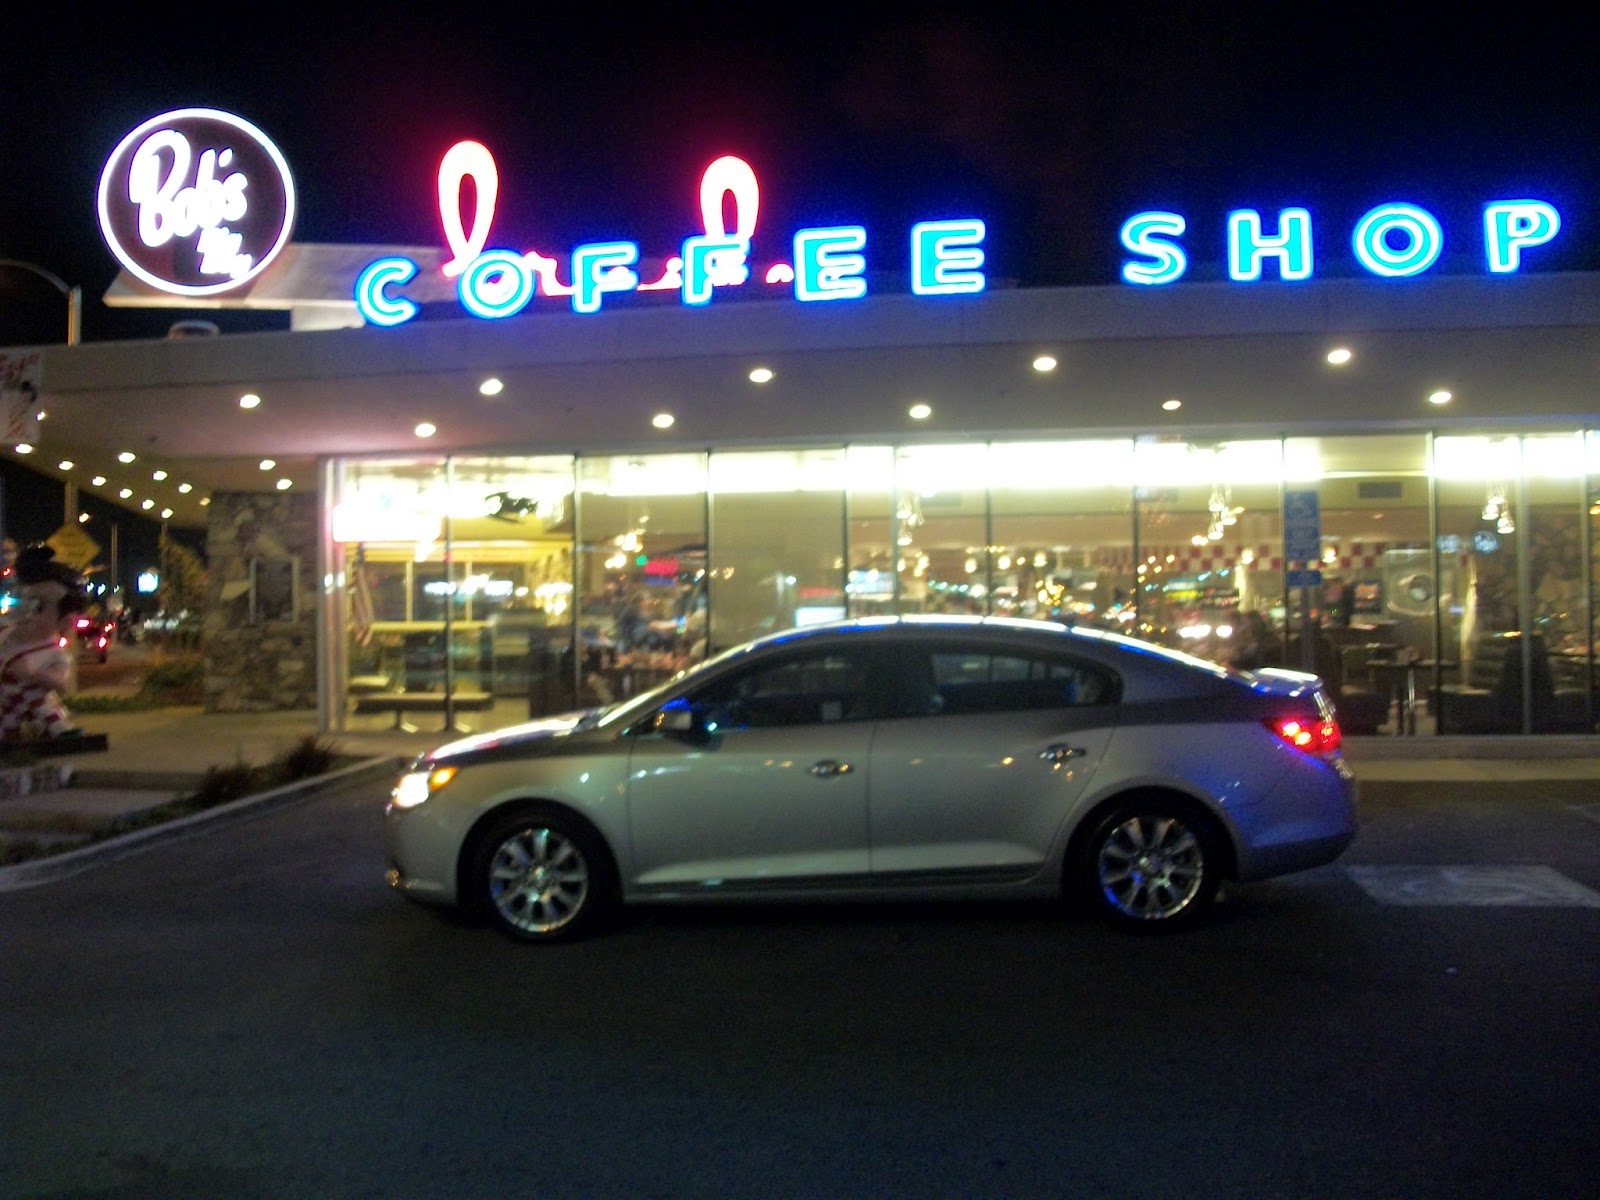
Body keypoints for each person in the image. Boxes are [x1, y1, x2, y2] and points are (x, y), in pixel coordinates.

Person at [0, 545, 88, 741]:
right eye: (21, 600)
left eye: (38, 606)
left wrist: (33, 674)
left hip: (36, 706)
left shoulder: (54, 654)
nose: (26, 612)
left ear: (64, 620)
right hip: (6, 705)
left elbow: (61, 684)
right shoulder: (5, 635)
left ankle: (58, 730)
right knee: (7, 726)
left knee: (43, 707)